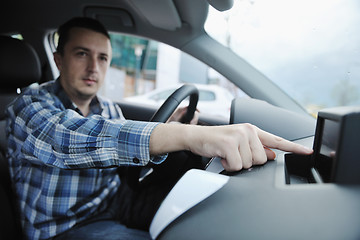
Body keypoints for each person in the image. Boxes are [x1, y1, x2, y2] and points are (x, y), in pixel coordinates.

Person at [6, 17, 313, 240]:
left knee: (203, 215)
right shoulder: (29, 106)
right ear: (59, 60)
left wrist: (169, 130)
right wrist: (191, 136)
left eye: (103, 58)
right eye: (81, 54)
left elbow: (121, 149)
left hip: (115, 200)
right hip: (67, 226)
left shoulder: (107, 107)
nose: (93, 68)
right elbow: (67, 139)